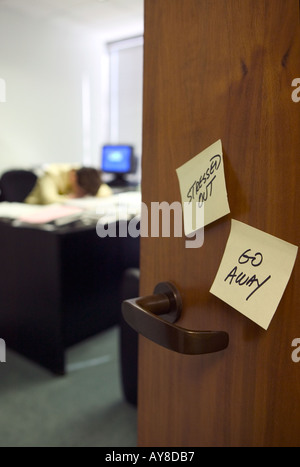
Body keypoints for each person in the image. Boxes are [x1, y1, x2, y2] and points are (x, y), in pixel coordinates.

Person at [25, 163, 112, 205]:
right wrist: (71, 198)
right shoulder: (52, 174)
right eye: (82, 191)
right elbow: (49, 200)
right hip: (34, 209)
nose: (83, 195)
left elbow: (106, 191)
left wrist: (83, 195)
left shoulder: (85, 174)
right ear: (73, 178)